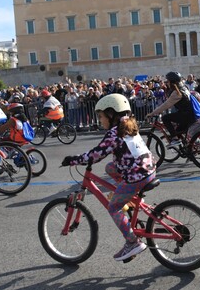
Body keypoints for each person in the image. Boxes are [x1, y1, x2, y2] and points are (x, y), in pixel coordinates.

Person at [61, 93, 155, 262]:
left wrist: (74, 160)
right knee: (109, 167)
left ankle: (132, 242)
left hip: (136, 176)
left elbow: (97, 154)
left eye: (101, 116)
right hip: (147, 169)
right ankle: (130, 198)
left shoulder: (115, 132)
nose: (100, 120)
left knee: (113, 207)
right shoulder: (129, 124)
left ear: (112, 114)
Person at [145, 71, 196, 147]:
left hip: (187, 115)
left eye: (168, 81)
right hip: (190, 114)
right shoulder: (183, 87)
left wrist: (152, 113)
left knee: (165, 118)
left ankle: (175, 139)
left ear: (172, 82)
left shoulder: (177, 93)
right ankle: (188, 149)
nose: (167, 83)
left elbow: (166, 105)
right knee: (177, 132)